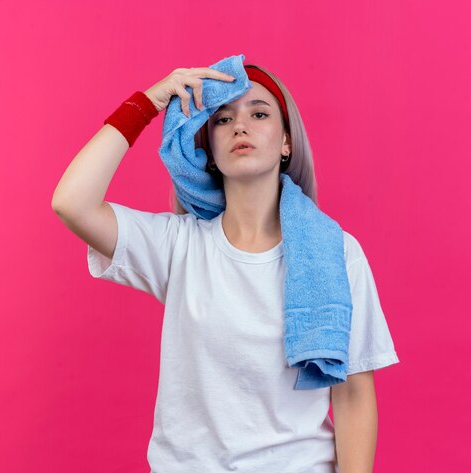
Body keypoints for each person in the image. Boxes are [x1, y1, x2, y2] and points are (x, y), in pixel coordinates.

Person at [52, 63, 400, 473]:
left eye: (259, 113)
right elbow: (71, 203)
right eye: (223, 118)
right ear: (209, 151)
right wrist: (149, 102)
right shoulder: (179, 246)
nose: (240, 126)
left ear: (286, 142)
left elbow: (354, 393)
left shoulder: (337, 254)